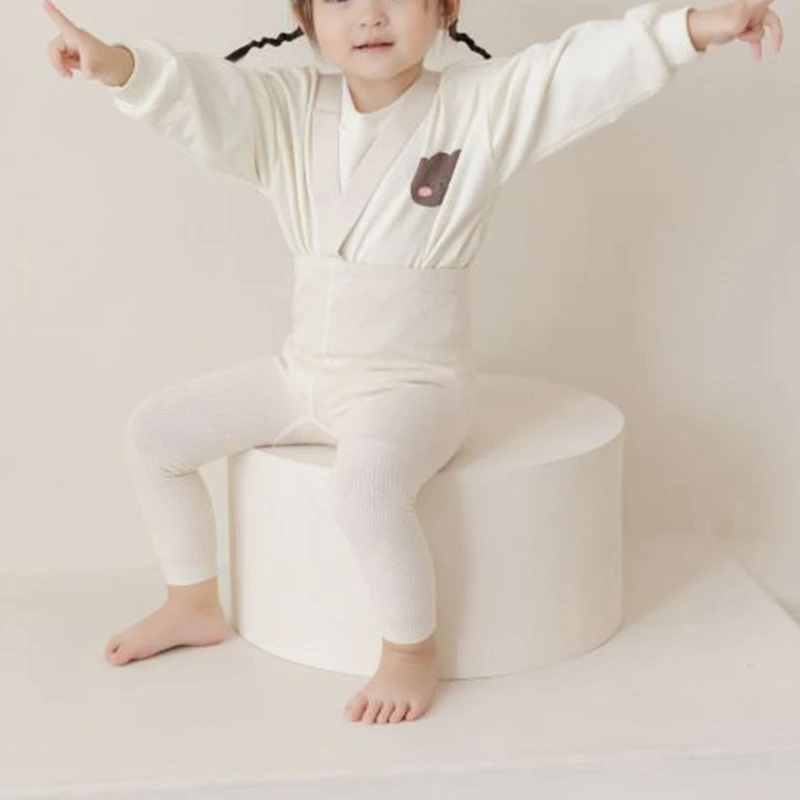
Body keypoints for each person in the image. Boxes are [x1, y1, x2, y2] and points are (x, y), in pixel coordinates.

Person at [43, 0, 783, 724]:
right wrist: (118, 65)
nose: (369, 14)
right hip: (303, 376)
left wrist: (695, 26)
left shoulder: (478, 108)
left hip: (414, 386)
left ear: (444, 9)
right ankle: (192, 600)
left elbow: (575, 71)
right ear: (306, 17)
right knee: (156, 435)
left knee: (364, 490)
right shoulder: (284, 108)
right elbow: (198, 93)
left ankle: (409, 649)